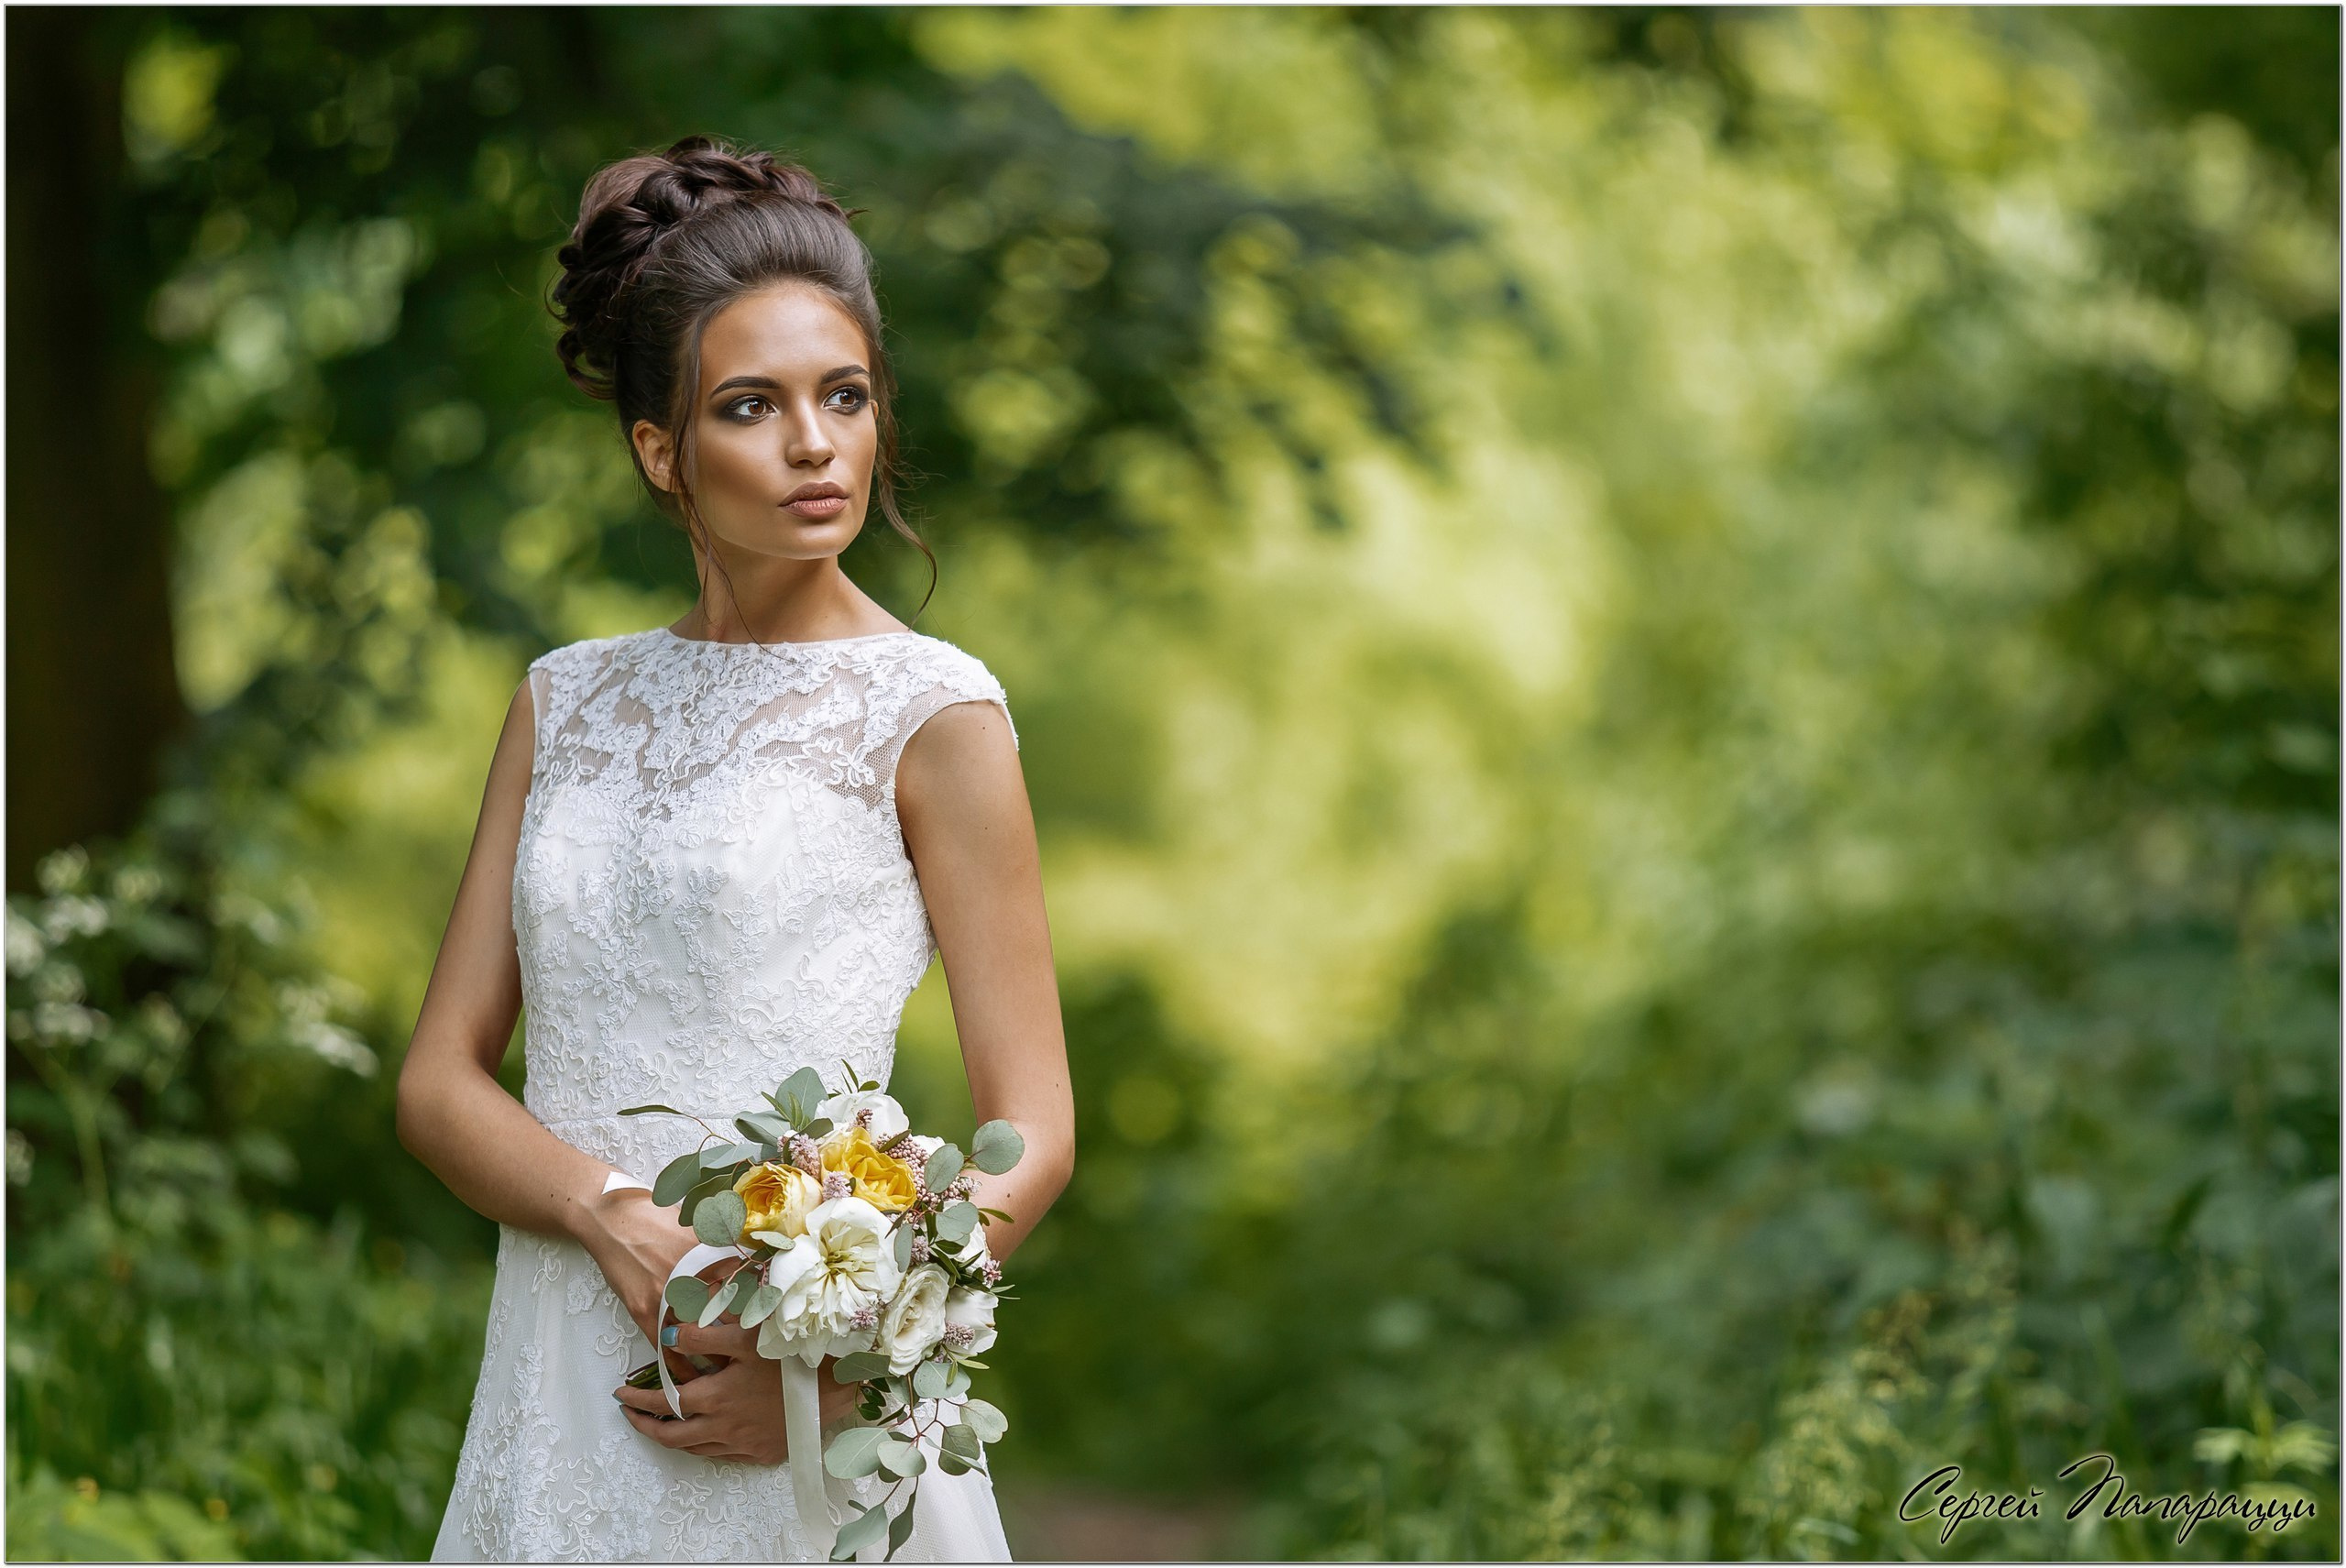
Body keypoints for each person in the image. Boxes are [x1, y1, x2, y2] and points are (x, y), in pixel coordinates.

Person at [397, 134, 1074, 1563]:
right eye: (753, 407)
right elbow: (439, 1081)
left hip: (795, 1393)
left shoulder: (933, 714)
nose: (815, 444)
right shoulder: (562, 701)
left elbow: (1037, 1131)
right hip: (561, 1377)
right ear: (660, 448)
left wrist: (843, 1373)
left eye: (845, 397)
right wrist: (613, 1218)